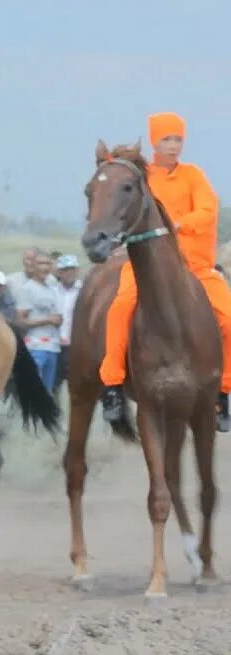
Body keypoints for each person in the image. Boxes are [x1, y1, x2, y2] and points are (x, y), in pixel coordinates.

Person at [101, 112, 231, 430]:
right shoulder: (143, 178)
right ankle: (113, 386)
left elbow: (207, 208)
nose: (173, 146)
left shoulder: (193, 176)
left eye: (178, 140)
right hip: (146, 267)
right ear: (155, 142)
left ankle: (223, 393)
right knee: (119, 308)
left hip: (196, 268)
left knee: (228, 318)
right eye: (166, 140)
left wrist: (179, 224)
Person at [15, 251, 62, 392]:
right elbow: (20, 321)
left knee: (47, 391)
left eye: (48, 263)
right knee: (35, 390)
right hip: (35, 347)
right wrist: (47, 320)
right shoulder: (27, 289)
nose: (45, 267)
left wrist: (58, 320)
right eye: (41, 263)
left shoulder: (52, 289)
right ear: (33, 267)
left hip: (52, 346)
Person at [53, 254, 82, 397]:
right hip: (56, 345)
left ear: (77, 270)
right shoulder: (52, 291)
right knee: (54, 384)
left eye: (72, 269)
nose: (69, 273)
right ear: (59, 272)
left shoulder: (84, 290)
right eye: (65, 270)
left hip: (77, 346)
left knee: (78, 385)